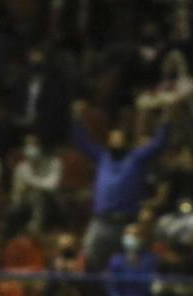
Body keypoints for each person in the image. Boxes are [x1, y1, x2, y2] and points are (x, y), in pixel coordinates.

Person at [73, 101, 170, 272]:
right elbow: (82, 143)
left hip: (127, 224)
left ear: (126, 141)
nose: (116, 141)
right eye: (113, 138)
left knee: (131, 264)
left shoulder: (136, 158)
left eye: (120, 138)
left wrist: (166, 118)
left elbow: (158, 144)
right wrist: (76, 118)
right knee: (88, 263)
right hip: (101, 222)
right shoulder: (102, 157)